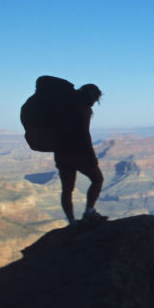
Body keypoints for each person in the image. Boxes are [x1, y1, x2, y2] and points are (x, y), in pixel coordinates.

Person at [56, 83, 106, 224]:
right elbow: (84, 134)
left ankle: (72, 221)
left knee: (67, 189)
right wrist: (91, 156)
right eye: (96, 100)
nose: (95, 103)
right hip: (78, 153)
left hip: (61, 153)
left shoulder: (63, 107)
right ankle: (89, 211)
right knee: (98, 179)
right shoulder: (83, 109)